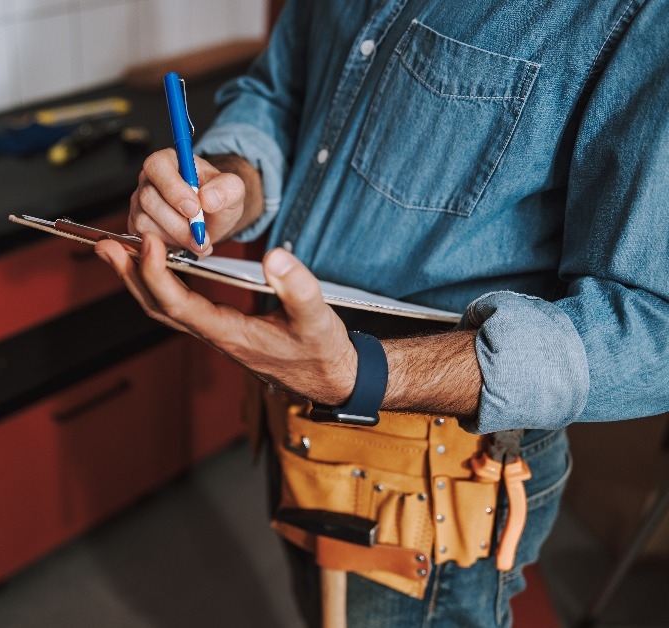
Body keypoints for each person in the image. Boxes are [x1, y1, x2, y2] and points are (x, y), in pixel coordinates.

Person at [94, 1, 669, 626]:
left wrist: (363, 375)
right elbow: (280, 93)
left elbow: (650, 325)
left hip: (429, 485)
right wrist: (232, 184)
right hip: (301, 419)